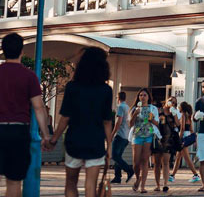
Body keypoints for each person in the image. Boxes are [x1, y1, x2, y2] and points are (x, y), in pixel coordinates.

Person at [50, 46, 113, 197]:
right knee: (90, 184)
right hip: (95, 141)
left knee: (71, 182)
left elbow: (65, 118)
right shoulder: (106, 90)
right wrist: (109, 145)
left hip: (74, 140)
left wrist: (53, 139)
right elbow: (107, 122)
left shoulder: (72, 87)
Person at [0, 32, 50, 197]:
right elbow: (38, 107)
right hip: (18, 132)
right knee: (14, 182)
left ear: (3, 50)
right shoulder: (29, 76)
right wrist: (46, 135)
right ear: (22, 51)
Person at [130, 88, 159, 193]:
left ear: (148, 97)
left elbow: (157, 123)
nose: (142, 97)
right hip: (137, 136)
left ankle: (142, 186)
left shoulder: (153, 108)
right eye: (140, 95)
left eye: (144, 95)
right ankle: (138, 178)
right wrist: (135, 113)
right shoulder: (135, 108)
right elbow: (130, 124)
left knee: (145, 160)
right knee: (136, 162)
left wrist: (152, 119)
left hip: (148, 135)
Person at [170, 102, 200, 183]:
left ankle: (195, 175)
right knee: (178, 157)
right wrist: (194, 138)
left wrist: (179, 139)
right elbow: (191, 129)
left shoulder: (183, 115)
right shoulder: (188, 116)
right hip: (187, 136)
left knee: (186, 157)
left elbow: (182, 128)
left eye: (179, 107)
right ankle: (172, 175)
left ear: (182, 108)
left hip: (183, 137)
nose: (178, 108)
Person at [153, 101, 179, 192]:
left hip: (168, 139)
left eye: (174, 102)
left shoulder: (174, 112)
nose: (171, 103)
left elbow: (178, 124)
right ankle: (157, 185)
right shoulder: (159, 111)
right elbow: (156, 122)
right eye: (170, 101)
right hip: (158, 138)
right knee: (157, 163)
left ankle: (165, 184)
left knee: (166, 162)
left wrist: (174, 113)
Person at [111, 91, 134, 185]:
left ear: (118, 98)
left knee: (114, 155)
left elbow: (118, 122)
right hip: (126, 136)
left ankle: (129, 170)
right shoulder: (128, 107)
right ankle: (117, 177)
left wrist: (112, 134)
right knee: (118, 156)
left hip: (120, 135)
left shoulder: (120, 107)